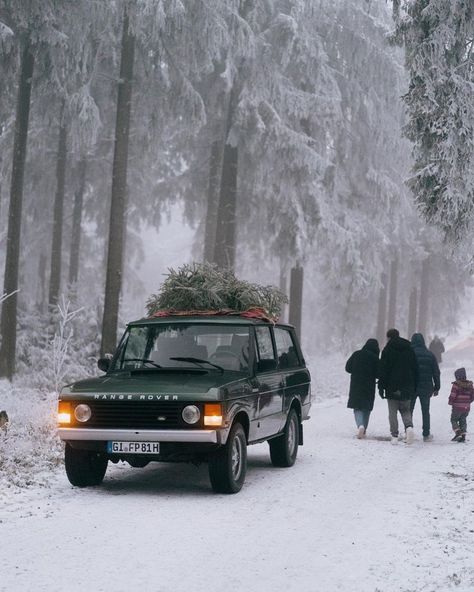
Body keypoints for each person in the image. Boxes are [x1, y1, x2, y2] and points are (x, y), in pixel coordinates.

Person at [378, 328, 418, 445]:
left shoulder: (387, 350)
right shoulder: (409, 349)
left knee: (392, 412)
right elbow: (415, 369)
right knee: (405, 410)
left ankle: (394, 435)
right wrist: (414, 386)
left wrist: (381, 387)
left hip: (392, 386)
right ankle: (409, 427)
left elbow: (383, 371)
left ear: (388, 337)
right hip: (407, 385)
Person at [345, 338, 379, 439]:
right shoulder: (375, 358)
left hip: (356, 384)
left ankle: (360, 426)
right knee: (367, 408)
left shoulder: (357, 354)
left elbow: (347, 368)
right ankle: (364, 430)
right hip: (369, 386)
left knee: (357, 407)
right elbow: (379, 373)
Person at [410, 333, 441, 442]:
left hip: (411, 387)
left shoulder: (409, 354)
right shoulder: (430, 355)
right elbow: (436, 373)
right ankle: (426, 434)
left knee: (409, 410)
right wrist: (437, 387)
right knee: (425, 411)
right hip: (426, 387)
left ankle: (408, 431)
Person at [448, 367, 474, 443]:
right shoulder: (470, 385)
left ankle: (458, 432)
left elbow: (453, 395)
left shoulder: (456, 385)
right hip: (466, 408)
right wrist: (468, 402)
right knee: (463, 420)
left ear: (457, 377)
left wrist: (450, 402)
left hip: (457, 407)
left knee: (454, 419)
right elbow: (472, 396)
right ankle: (463, 436)